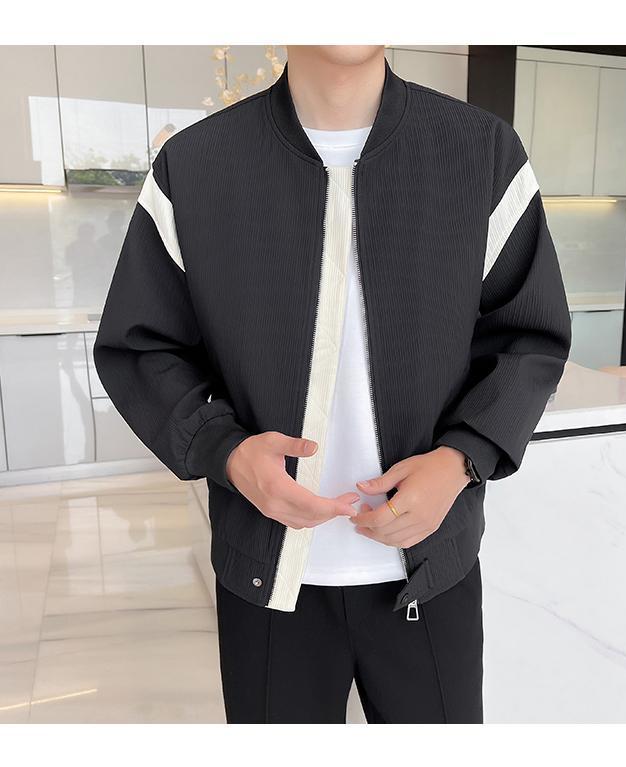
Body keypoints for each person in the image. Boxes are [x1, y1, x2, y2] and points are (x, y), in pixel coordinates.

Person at [93, 44, 571, 724]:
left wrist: (460, 460)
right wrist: (227, 451)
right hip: (267, 577)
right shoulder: (195, 166)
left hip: (429, 570)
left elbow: (528, 337)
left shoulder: (482, 154)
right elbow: (140, 346)